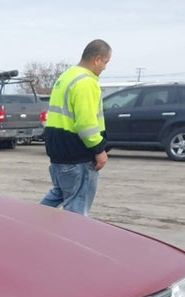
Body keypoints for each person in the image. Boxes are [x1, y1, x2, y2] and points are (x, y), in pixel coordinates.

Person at [40, 39, 112, 216]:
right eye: (105, 62)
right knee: (77, 211)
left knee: (60, 192)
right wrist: (99, 149)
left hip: (59, 154)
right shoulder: (85, 82)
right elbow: (85, 124)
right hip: (78, 156)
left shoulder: (66, 77)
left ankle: (30, 224)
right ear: (96, 59)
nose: (104, 68)